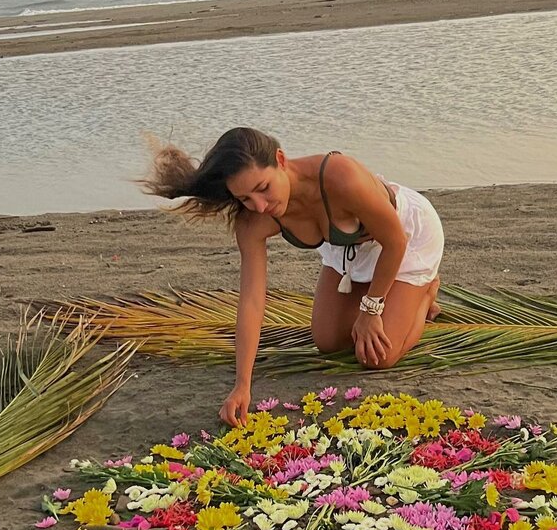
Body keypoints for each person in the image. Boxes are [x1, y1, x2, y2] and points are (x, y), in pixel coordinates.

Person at [146, 127, 444, 426]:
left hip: (403, 237)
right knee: (328, 341)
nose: (260, 205)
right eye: (245, 198)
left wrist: (371, 310)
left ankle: (426, 292)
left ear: (280, 159)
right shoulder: (252, 221)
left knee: (378, 356)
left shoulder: (340, 175)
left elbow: (395, 241)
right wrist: (242, 385)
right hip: (348, 252)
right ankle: (390, 296)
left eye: (263, 188)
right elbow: (252, 300)